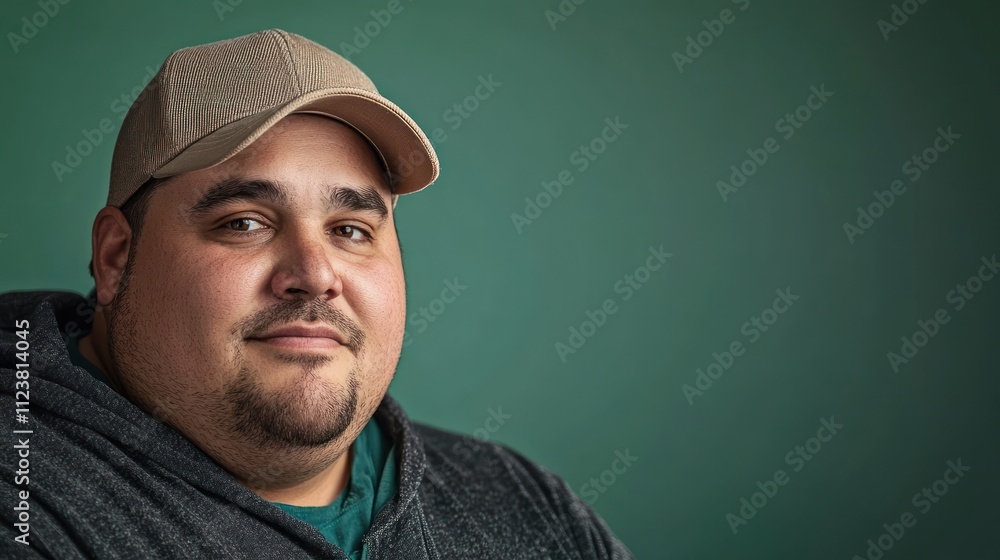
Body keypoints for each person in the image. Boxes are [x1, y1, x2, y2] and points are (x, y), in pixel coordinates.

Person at [0, 29, 633, 559]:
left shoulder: (525, 506)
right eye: (244, 222)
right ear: (116, 257)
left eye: (350, 230)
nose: (315, 273)